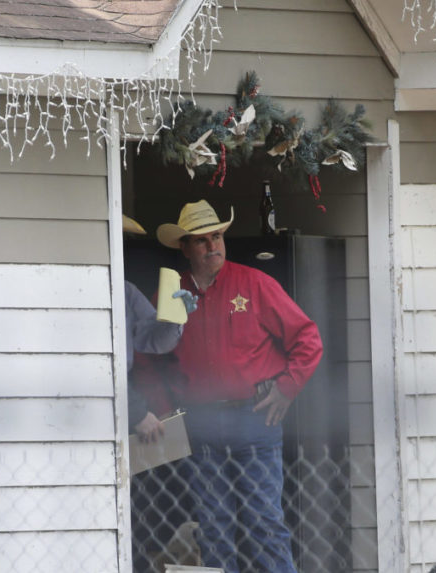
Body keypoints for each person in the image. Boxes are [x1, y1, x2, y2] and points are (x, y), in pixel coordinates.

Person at [156, 200, 323, 573]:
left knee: (264, 522)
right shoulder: (172, 293)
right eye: (201, 241)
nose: (212, 246)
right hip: (199, 423)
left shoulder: (256, 283)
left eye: (217, 236)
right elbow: (153, 357)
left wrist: (287, 388)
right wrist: (163, 407)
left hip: (253, 417)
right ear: (184, 247)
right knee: (214, 528)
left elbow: (308, 339)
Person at [122, 214, 197, 442]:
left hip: (120, 395)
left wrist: (176, 317)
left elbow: (154, 342)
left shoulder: (126, 290)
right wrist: (136, 411)